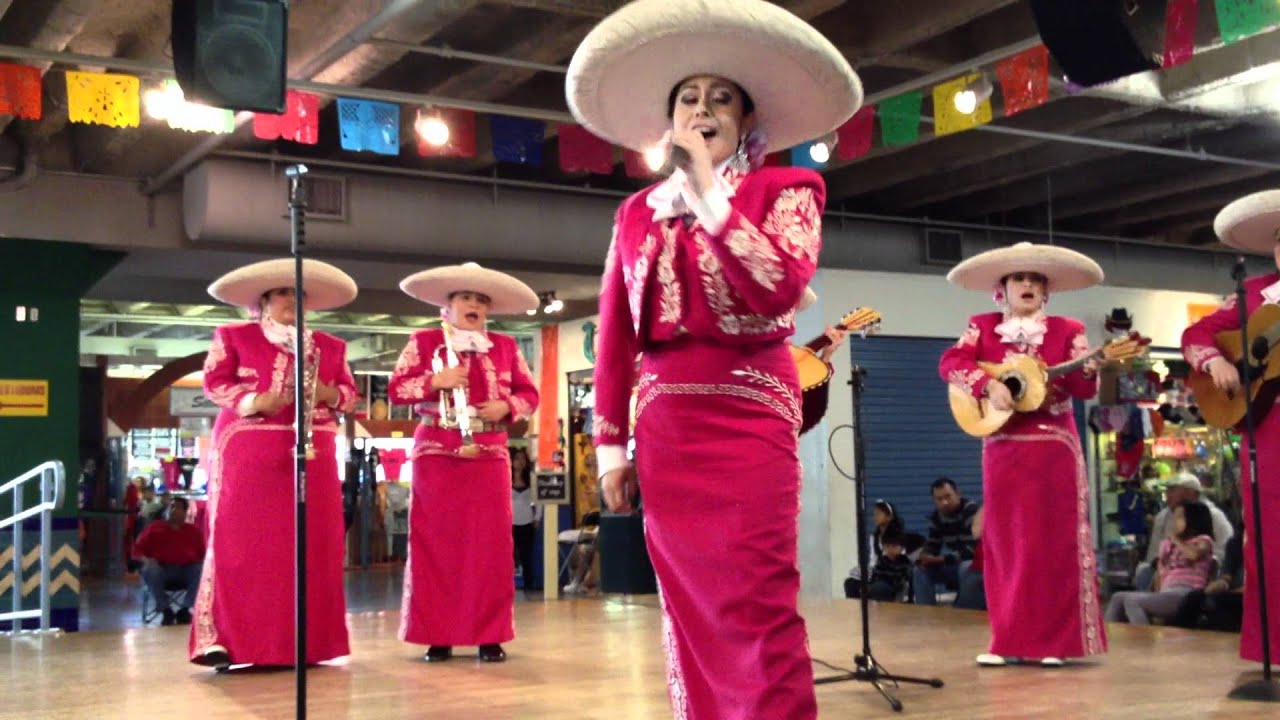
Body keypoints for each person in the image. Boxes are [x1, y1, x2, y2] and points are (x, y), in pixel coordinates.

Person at [566, 0, 861, 716]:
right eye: (689, 98)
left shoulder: (787, 190)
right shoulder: (636, 213)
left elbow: (781, 287)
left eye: (720, 98)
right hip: (666, 422)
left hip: (750, 410)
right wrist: (610, 448)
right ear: (668, 122)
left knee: (757, 600)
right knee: (689, 607)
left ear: (745, 121)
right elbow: (614, 332)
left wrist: (709, 197)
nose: (703, 109)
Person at [938, 241, 1108, 667]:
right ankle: (1007, 641)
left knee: (1051, 545)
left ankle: (1056, 642)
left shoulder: (1068, 330)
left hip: (1053, 448)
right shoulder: (981, 326)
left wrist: (1090, 369)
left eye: (1035, 279)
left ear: (1046, 290)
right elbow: (950, 362)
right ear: (1004, 288)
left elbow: (1084, 390)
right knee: (1006, 544)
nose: (1027, 284)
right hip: (1002, 448)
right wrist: (986, 385)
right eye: (1019, 278)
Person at [191, 258, 359, 671]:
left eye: (299, 294)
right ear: (262, 302)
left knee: (314, 544)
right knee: (243, 544)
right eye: (284, 293)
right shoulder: (233, 336)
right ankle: (229, 641)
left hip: (313, 453)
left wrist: (328, 394)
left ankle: (306, 643)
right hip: (249, 452)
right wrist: (254, 402)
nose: (292, 301)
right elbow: (214, 382)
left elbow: (351, 396)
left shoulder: (330, 347)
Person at [390, 262, 539, 664]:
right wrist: (434, 382)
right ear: (447, 307)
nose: (474, 305)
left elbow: (530, 394)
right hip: (437, 448)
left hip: (489, 452)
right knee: (435, 543)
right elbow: (397, 387)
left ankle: (489, 635)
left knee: (489, 546)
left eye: (480, 301)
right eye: (465, 298)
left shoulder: (506, 347)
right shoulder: (422, 342)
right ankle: (437, 635)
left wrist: (506, 406)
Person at [1181, 188, 1280, 665]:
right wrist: (1215, 361)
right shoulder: (1257, 291)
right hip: (1268, 430)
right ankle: (1275, 648)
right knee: (1271, 538)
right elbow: (1195, 333)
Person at [1105, 501, 1215, 625]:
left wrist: (1176, 540)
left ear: (1193, 519)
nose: (1174, 522)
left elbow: (1194, 554)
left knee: (1132, 600)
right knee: (1117, 597)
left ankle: (1142, 640)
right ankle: (1106, 640)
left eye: (1179, 517)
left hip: (1187, 594)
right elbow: (1161, 574)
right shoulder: (1169, 545)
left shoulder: (1204, 540)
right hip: (1167, 593)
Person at [134, 496, 204, 626]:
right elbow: (137, 551)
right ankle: (165, 609)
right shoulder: (154, 528)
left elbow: (203, 555)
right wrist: (147, 560)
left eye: (177, 508)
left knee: (201, 570)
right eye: (171, 507)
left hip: (185, 571)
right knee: (151, 570)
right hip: (161, 570)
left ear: (185, 512)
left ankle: (185, 608)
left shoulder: (194, 532)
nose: (173, 510)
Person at [912, 477, 979, 606]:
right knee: (919, 570)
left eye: (948, 496)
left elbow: (972, 550)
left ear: (958, 494)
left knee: (967, 568)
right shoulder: (937, 518)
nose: (944, 502)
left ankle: (962, 614)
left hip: (979, 564)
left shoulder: (971, 511)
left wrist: (940, 560)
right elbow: (932, 544)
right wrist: (924, 556)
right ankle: (926, 614)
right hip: (955, 564)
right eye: (939, 499)